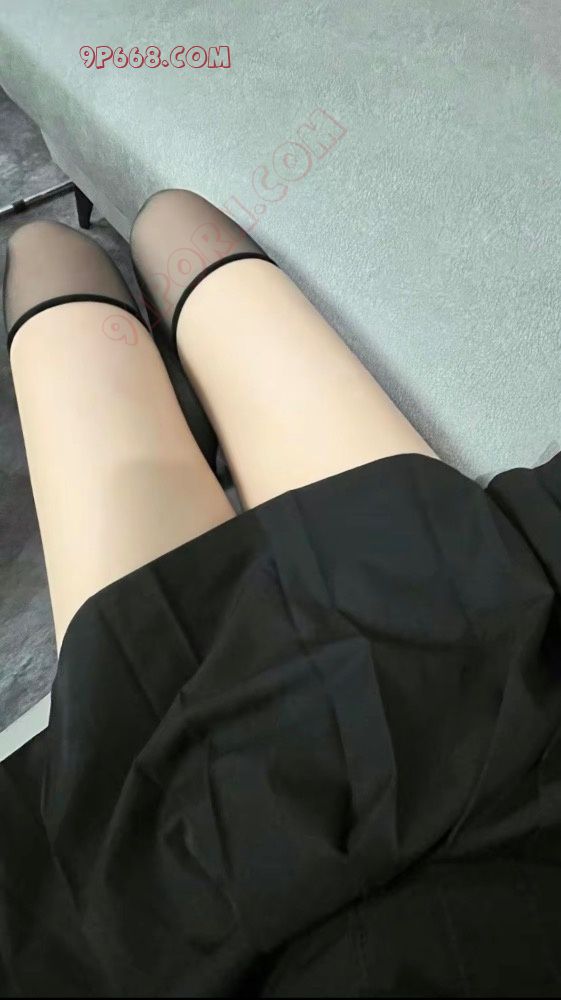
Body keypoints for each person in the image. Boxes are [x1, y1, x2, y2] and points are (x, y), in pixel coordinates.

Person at [1, 189, 560, 997]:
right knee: (131, 238)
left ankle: (194, 416)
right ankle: (196, 415)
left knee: (93, 243)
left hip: (414, 677)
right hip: (417, 700)